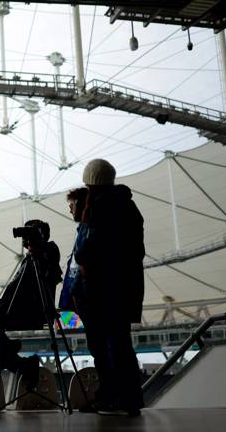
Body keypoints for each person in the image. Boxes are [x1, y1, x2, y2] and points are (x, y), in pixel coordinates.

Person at [73, 159, 145, 417]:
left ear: (91, 180)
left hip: (102, 290)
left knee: (105, 347)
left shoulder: (101, 207)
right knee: (121, 345)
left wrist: (84, 260)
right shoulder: (128, 206)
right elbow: (137, 251)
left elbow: (87, 248)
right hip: (124, 288)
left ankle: (111, 397)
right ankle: (129, 398)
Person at [0, 219, 63, 390]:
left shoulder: (48, 252)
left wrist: (39, 250)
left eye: (29, 234)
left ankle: (11, 353)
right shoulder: (28, 259)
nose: (25, 240)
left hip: (27, 311)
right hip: (13, 309)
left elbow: (48, 277)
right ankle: (23, 365)